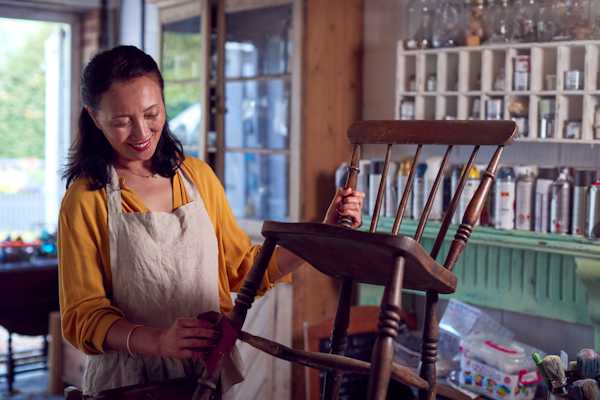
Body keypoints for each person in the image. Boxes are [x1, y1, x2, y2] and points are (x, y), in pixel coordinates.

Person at [58, 45, 364, 396]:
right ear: (94, 118)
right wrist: (158, 341)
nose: (142, 132)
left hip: (206, 376)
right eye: (122, 121)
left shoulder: (197, 178)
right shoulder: (86, 199)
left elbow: (244, 268)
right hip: (129, 383)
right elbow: (83, 315)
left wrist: (321, 234)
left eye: (151, 113)